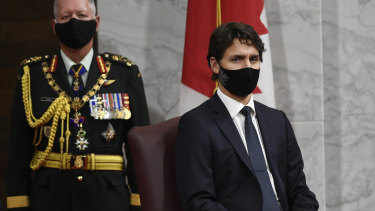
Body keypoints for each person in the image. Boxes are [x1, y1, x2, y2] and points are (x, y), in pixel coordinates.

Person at [6, 0, 149, 210]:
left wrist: (139, 202)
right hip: (49, 199)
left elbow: (139, 148)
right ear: (54, 26)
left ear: (96, 22)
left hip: (108, 199)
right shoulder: (33, 75)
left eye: (81, 16)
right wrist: (18, 203)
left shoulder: (124, 74)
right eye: (66, 17)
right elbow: (19, 148)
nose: (74, 22)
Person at [175, 22, 319, 211]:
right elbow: (199, 202)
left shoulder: (277, 121)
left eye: (254, 59)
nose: (248, 67)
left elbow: (300, 192)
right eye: (237, 59)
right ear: (215, 65)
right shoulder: (196, 125)